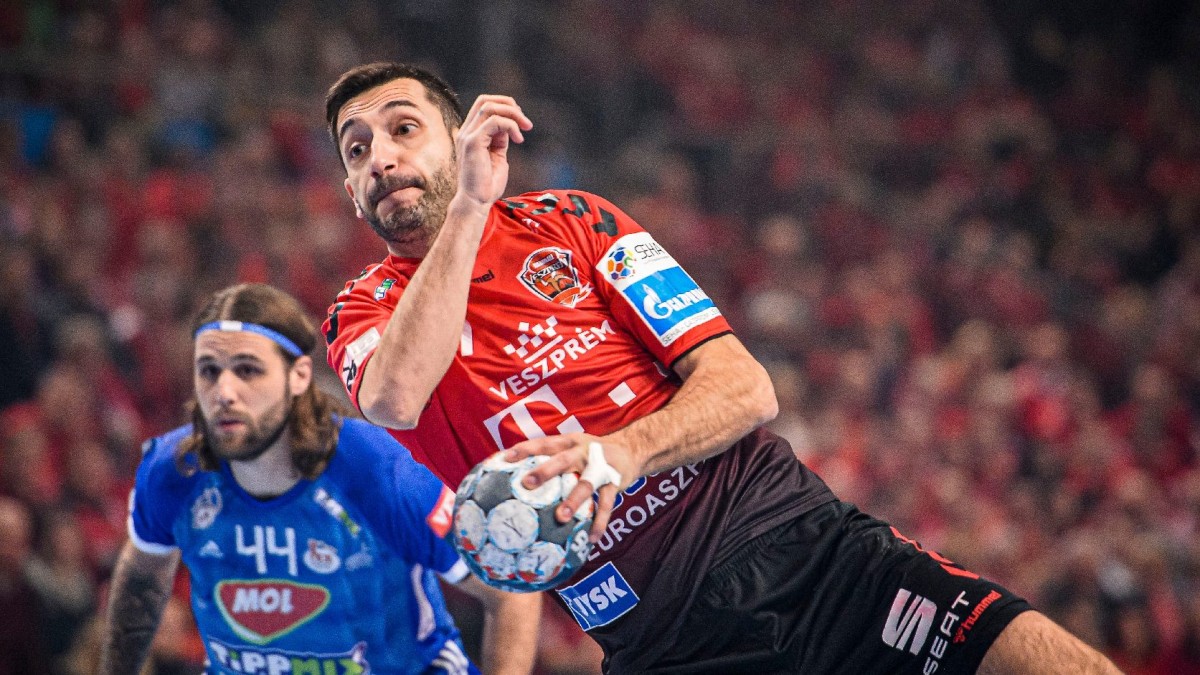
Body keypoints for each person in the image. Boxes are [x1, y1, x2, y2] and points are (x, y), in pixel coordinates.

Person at [321, 61, 1120, 673]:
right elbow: (395, 398)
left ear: (459, 137)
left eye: (402, 129)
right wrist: (467, 209)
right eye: (357, 151)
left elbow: (745, 387)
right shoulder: (358, 314)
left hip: (808, 551)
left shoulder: (575, 220)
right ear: (353, 192)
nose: (380, 158)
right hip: (660, 640)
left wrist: (620, 452)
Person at [99, 283, 539, 675]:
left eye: (248, 370)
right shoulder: (172, 471)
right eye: (209, 370)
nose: (224, 392)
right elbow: (141, 579)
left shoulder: (378, 470)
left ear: (299, 376)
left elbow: (510, 590)